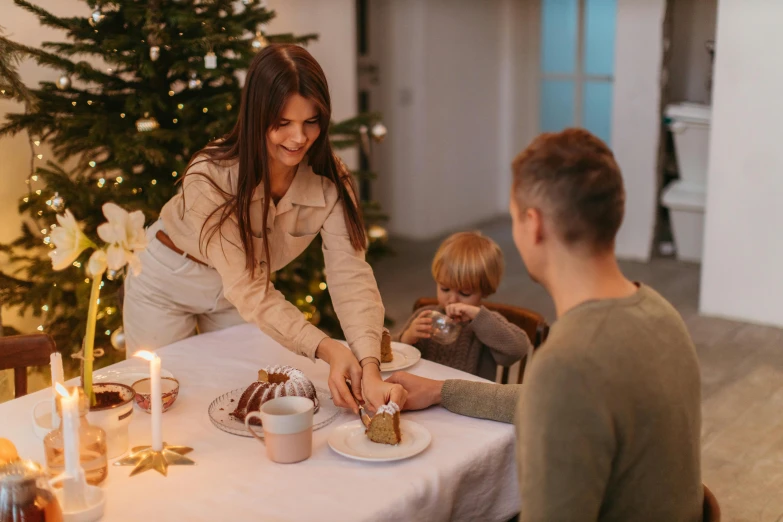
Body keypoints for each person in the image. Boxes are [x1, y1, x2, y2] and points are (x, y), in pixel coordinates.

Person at [388, 129, 703, 521]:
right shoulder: (659, 311)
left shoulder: (569, 364)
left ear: (533, 225)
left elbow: (560, 394)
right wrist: (441, 391)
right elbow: (544, 399)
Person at [123, 44, 405, 413]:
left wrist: (369, 363)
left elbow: (350, 273)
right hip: (166, 279)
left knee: (237, 399)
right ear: (257, 116)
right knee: (161, 402)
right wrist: (328, 347)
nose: (299, 138)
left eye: (311, 121)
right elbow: (249, 287)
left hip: (235, 296)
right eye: (282, 123)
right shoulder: (208, 176)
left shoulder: (332, 181)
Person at [395, 231, 531, 381]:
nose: (452, 299)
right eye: (445, 289)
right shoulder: (425, 316)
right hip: (423, 395)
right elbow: (391, 353)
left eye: (465, 293)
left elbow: (518, 350)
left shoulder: (487, 324)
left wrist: (479, 318)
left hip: (469, 401)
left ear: (484, 291)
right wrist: (406, 338)